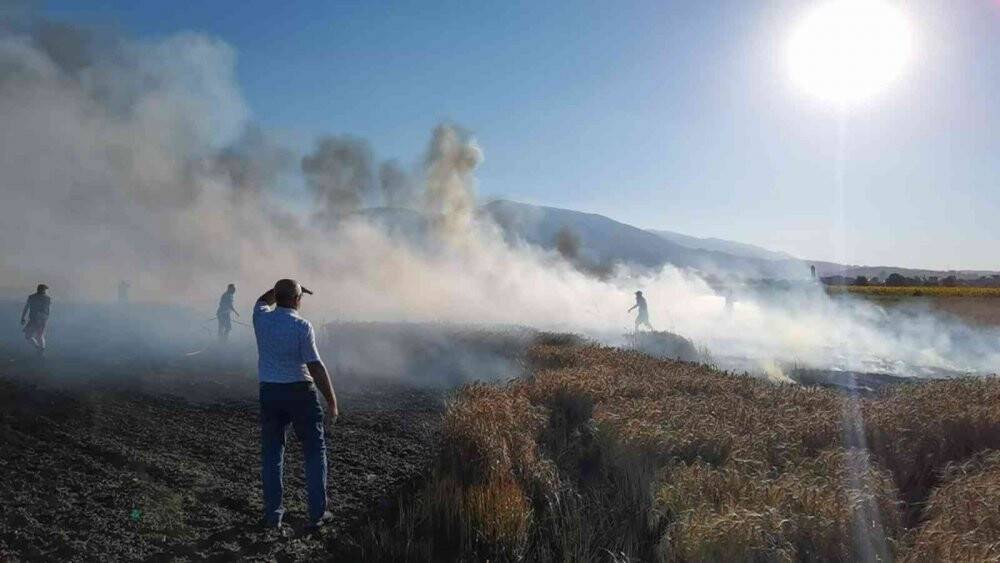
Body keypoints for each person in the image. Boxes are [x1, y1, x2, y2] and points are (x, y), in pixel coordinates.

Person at [253, 279, 338, 530]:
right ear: (297, 300)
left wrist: (290, 286)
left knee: (272, 455)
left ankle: (273, 515)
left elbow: (262, 299)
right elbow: (314, 365)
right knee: (314, 451)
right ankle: (317, 513)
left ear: (277, 297)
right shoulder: (302, 326)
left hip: (269, 392)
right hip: (300, 392)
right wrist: (332, 401)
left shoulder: (261, 318)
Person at [21, 284, 51, 356]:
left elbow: (47, 311)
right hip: (35, 319)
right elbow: (26, 307)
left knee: (38, 336)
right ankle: (39, 349)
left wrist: (23, 317)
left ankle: (41, 350)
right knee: (29, 336)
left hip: (40, 320)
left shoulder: (42, 298)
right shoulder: (45, 298)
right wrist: (23, 317)